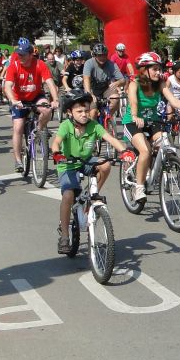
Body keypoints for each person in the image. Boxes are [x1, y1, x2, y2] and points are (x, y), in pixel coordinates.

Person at [51, 90, 134, 254]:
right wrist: (57, 154)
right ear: (70, 112)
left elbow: (111, 139)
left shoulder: (94, 125)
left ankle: (90, 197)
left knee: (105, 165)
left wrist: (124, 151)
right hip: (67, 163)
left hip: (85, 160)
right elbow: (56, 142)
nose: (84, 114)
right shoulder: (66, 126)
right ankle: (65, 236)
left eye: (86, 110)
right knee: (68, 195)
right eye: (79, 111)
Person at [123, 52, 180, 204]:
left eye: (159, 68)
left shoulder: (160, 83)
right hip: (133, 122)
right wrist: (136, 116)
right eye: (155, 69)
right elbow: (133, 103)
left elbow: (173, 100)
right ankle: (139, 188)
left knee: (166, 143)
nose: (159, 72)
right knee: (145, 150)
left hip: (153, 122)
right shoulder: (135, 83)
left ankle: (157, 172)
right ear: (144, 70)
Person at [4, 42, 59, 174]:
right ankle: (17, 160)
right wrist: (13, 100)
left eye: (23, 55)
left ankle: (39, 132)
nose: (20, 57)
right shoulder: (14, 65)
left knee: (46, 109)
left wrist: (55, 99)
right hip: (19, 99)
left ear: (30, 55)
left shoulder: (40, 64)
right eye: (19, 54)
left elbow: (50, 83)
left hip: (36, 96)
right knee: (18, 126)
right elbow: (7, 86)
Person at [82, 43, 125, 121]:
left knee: (116, 97)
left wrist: (117, 83)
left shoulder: (111, 64)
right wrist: (90, 94)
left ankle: (107, 117)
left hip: (105, 89)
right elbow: (86, 79)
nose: (102, 58)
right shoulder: (89, 63)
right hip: (92, 90)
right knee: (93, 112)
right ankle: (93, 128)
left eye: (104, 55)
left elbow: (122, 80)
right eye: (100, 55)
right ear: (95, 55)